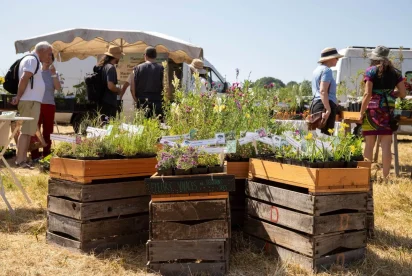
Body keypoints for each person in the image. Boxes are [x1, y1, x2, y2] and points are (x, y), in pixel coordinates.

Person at [359, 45, 406, 179]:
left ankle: (365, 176)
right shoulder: (396, 72)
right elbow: (403, 93)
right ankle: (385, 177)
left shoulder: (370, 71)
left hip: (372, 111)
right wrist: (391, 94)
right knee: (386, 145)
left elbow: (367, 94)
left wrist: (361, 112)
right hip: (388, 111)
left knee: (369, 145)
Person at [11, 41, 53, 168]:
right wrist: (18, 96)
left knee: (28, 132)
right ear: (42, 51)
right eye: (49, 54)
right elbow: (24, 78)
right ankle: (20, 160)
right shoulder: (32, 60)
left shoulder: (34, 60)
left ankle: (23, 159)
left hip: (32, 101)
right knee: (25, 132)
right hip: (29, 101)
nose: (49, 57)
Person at [30, 53, 61, 161]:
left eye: (51, 58)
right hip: (37, 104)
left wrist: (53, 75)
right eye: (47, 57)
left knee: (48, 130)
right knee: (35, 129)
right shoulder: (36, 72)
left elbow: (58, 88)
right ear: (41, 59)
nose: (48, 59)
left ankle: (46, 154)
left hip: (49, 104)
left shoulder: (54, 73)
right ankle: (35, 155)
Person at [311, 47, 343, 135]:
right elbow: (323, 90)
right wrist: (328, 109)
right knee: (326, 137)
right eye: (336, 58)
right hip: (325, 105)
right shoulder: (327, 70)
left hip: (316, 104)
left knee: (316, 137)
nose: (337, 60)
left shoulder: (316, 70)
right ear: (331, 58)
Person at [132, 46, 164, 118]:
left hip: (142, 101)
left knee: (141, 126)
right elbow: (165, 86)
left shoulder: (137, 68)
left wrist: (136, 100)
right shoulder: (161, 68)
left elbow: (132, 88)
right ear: (155, 56)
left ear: (145, 55)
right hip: (157, 102)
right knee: (157, 126)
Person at [98, 45, 124, 119]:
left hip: (102, 101)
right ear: (116, 57)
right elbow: (111, 86)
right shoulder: (111, 68)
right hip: (109, 102)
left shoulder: (104, 66)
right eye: (120, 56)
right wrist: (119, 90)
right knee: (109, 125)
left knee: (104, 124)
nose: (120, 58)